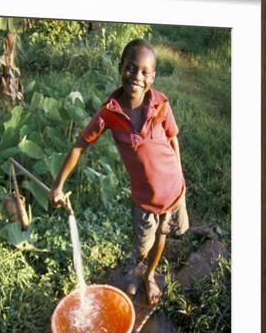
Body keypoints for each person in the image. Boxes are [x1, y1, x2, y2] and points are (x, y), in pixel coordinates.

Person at [48, 38, 189, 305]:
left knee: (164, 235)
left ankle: (148, 276)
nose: (137, 76)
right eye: (131, 68)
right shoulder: (108, 114)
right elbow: (79, 146)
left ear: (153, 76)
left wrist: (179, 173)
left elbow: (173, 139)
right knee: (142, 244)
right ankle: (138, 268)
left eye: (145, 72)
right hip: (144, 199)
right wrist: (58, 185)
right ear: (120, 67)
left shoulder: (161, 104)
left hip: (173, 190)